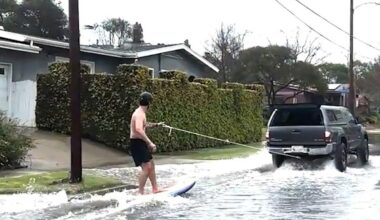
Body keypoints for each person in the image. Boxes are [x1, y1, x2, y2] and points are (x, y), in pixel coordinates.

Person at [129, 91, 164, 194]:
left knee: (151, 165)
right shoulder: (139, 114)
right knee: (146, 167)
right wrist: (150, 142)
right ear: (149, 103)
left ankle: (155, 188)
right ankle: (140, 192)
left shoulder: (140, 112)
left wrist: (156, 125)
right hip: (137, 143)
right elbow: (139, 129)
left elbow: (143, 125)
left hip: (139, 142)